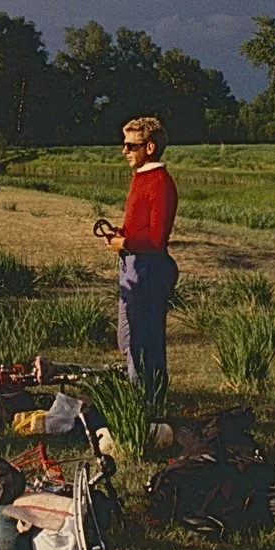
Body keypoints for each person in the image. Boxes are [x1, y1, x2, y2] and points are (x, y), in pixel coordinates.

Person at [99, 115, 178, 400]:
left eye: (131, 146)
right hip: (132, 264)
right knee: (129, 336)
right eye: (125, 145)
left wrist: (126, 242)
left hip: (148, 268)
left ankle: (146, 401)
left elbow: (157, 239)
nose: (125, 151)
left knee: (142, 339)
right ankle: (140, 395)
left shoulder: (159, 183)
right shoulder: (142, 178)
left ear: (150, 147)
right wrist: (121, 234)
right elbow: (140, 226)